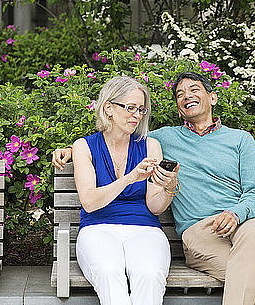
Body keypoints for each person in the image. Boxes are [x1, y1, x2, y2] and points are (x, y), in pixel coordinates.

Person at [53, 72, 255, 305]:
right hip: (200, 231)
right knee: (247, 274)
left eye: (194, 90)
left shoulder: (241, 139)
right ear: (179, 109)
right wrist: (73, 150)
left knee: (251, 238)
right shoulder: (165, 138)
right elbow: (112, 138)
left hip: (242, 221)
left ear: (213, 97)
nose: (187, 96)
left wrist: (235, 213)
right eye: (180, 94)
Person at [70, 75, 179, 305]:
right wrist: (130, 179)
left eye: (141, 109)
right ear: (108, 107)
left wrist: (169, 188)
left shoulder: (150, 146)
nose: (137, 115)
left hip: (145, 229)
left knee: (149, 274)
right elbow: (89, 202)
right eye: (130, 108)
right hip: (97, 228)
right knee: (109, 272)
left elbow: (154, 206)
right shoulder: (84, 147)